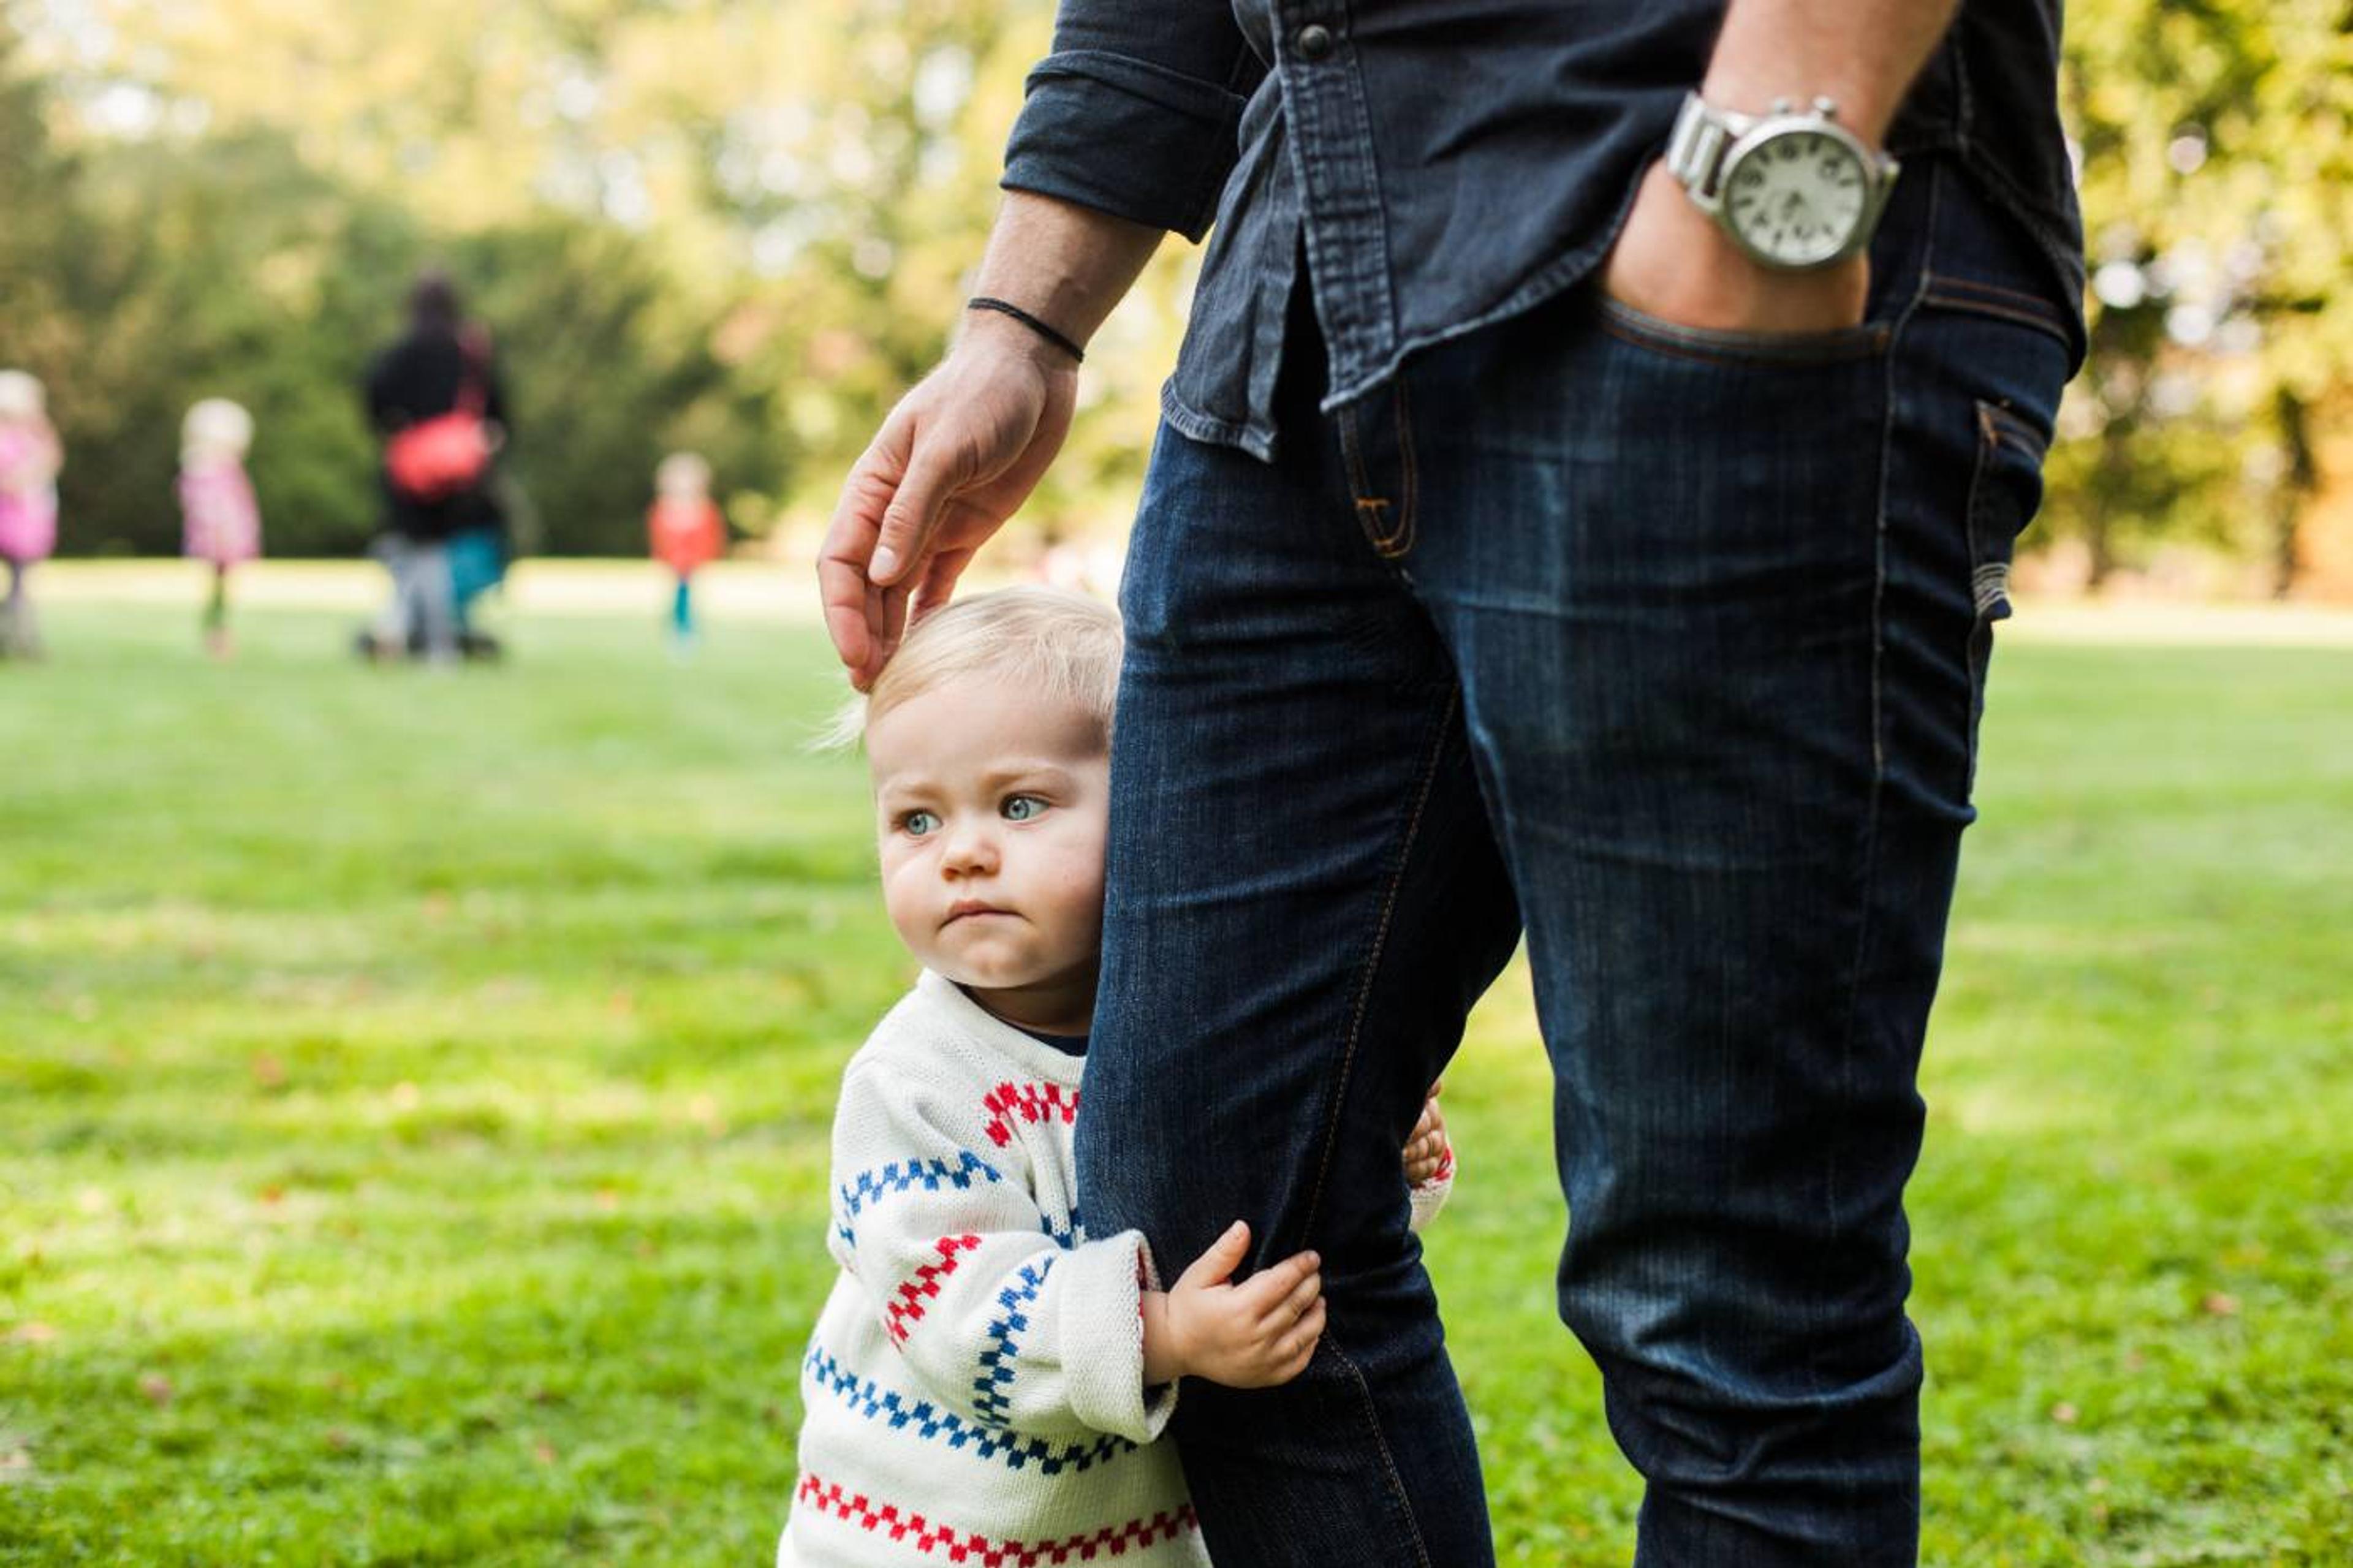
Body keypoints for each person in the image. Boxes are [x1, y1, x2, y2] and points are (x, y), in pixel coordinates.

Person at [817, 2, 2086, 1564]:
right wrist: (1022, 322)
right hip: (1295, 320)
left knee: (1731, 1284)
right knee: (1219, 1209)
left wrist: (1765, 166)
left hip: (1697, 242)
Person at [784, 586, 1453, 1566]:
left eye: (1020, 804)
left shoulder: (1194, 1026)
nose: (964, 853)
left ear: (1151, 810)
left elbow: (1273, 1218)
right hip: (928, 1533)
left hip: (1129, 1536)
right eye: (916, 820)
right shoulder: (913, 1082)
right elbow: (956, 1307)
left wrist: (1389, 1158)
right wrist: (1166, 1332)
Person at [361, 271, 511, 664]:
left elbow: (375, 397)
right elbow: (497, 411)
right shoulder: (470, 351)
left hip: (413, 470)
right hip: (461, 473)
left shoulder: (403, 350)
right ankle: (426, 637)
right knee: (437, 557)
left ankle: (411, 632)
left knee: (417, 552)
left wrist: (400, 428)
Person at [178, 398, 263, 659]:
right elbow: (211, 509)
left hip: (231, 535)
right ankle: (217, 636)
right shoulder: (205, 471)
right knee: (218, 590)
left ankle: (219, 633)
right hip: (219, 538)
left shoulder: (225, 469)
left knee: (223, 590)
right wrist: (221, 535)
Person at [0, 368, 62, 661]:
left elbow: (53, 457)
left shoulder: (30, 438)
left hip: (27, 522)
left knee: (20, 585)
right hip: (10, 523)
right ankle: (20, 640)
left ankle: (19, 639)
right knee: (18, 586)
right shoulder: (5, 439)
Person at [647, 451, 725, 654]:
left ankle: (684, 630)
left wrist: (698, 558)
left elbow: (710, 537)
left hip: (691, 565)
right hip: (674, 564)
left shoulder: (704, 510)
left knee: (687, 597)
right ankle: (679, 629)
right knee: (678, 596)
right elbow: (659, 538)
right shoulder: (664, 510)